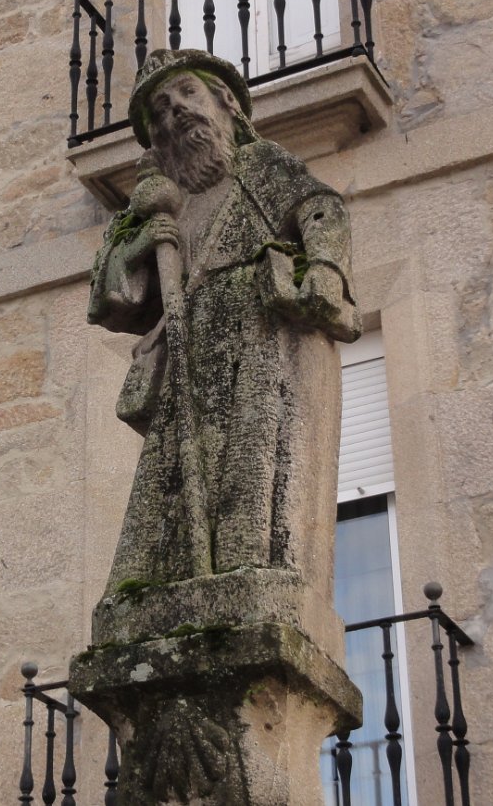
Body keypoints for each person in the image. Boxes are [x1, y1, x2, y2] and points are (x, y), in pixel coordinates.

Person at [87, 49, 360, 595]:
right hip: (187, 342)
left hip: (257, 332)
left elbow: (321, 210)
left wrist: (325, 273)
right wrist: (141, 242)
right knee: (169, 475)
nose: (175, 112)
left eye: (187, 93)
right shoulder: (158, 205)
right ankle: (159, 585)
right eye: (160, 111)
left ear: (226, 102)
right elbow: (110, 298)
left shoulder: (260, 167)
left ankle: (244, 572)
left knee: (250, 464)